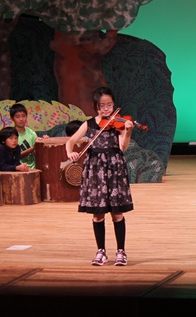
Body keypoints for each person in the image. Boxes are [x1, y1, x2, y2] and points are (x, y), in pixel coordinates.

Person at [65, 87, 134, 266]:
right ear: (95, 106)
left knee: (117, 212)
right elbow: (70, 141)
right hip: (95, 170)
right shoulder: (89, 124)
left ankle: (121, 251)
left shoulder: (118, 123)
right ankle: (101, 251)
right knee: (98, 214)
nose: (106, 109)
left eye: (109, 105)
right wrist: (71, 153)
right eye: (102, 105)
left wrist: (127, 132)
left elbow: (123, 147)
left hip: (114, 168)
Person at [10, 103, 39, 169]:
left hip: (33, 169)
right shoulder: (10, 135)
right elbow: (14, 157)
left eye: (23, 116)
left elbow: (37, 153)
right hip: (17, 169)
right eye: (17, 117)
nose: (21, 119)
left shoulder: (32, 133)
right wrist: (33, 148)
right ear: (12, 119)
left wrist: (44, 142)